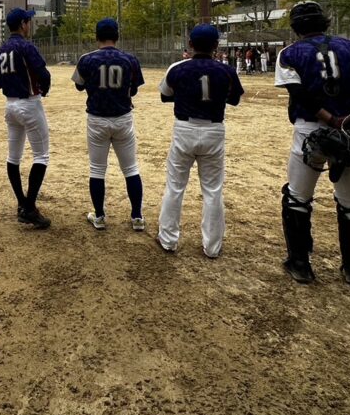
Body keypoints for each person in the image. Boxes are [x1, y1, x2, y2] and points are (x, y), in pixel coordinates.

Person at [274, 1, 350, 286]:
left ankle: (300, 264)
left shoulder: (290, 53)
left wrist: (330, 119)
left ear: (295, 27)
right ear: (326, 22)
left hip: (310, 130)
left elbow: (299, 94)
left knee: (298, 196)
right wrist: (349, 120)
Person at [156, 24, 243, 255]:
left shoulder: (178, 67)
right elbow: (235, 100)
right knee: (213, 190)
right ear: (216, 45)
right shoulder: (226, 70)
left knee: (175, 187)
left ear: (190, 45)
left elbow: (165, 95)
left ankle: (168, 240)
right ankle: (212, 247)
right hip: (214, 129)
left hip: (185, 127)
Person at [71, 18, 146, 232]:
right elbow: (134, 90)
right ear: (117, 36)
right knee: (131, 168)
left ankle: (100, 216)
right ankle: (137, 217)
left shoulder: (87, 59)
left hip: (97, 119)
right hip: (123, 118)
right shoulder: (129, 59)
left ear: (97, 37)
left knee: (97, 169)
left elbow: (78, 86)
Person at [0, 8, 52, 229]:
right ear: (22, 24)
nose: (29, 25)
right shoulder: (27, 46)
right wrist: (44, 89)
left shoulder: (0, 50)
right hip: (29, 102)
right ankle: (29, 207)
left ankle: (22, 203)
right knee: (41, 156)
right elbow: (44, 74)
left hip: (10, 105)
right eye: (28, 21)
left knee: (14, 156)